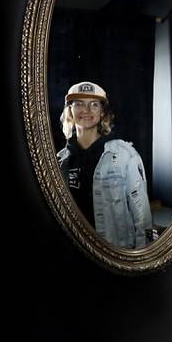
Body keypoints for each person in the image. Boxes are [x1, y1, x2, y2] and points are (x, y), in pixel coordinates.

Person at [57, 81, 153, 249]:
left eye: (94, 105)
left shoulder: (124, 155)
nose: (86, 111)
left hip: (115, 255)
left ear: (102, 112)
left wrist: (140, 259)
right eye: (79, 104)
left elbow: (142, 216)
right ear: (70, 111)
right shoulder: (59, 162)